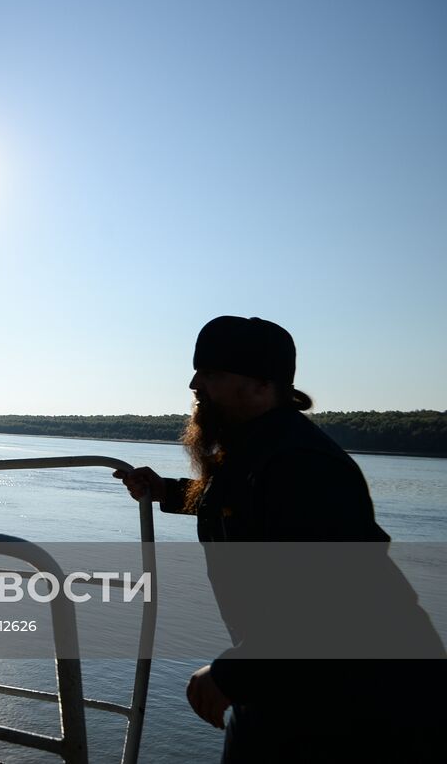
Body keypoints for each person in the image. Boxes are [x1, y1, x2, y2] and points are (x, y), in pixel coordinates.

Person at [115, 316, 443, 761]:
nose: (194, 384)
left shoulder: (302, 462)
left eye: (211, 373)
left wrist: (231, 673)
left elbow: (339, 599)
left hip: (363, 705)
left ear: (261, 385)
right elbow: (241, 505)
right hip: (292, 683)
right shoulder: (257, 448)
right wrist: (167, 491)